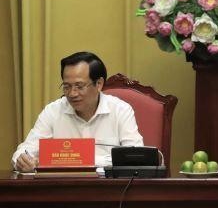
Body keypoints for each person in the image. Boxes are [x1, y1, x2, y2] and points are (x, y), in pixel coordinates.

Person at [11, 52, 144, 171]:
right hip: (61, 190)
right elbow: (24, 150)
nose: (72, 93)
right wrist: (23, 160)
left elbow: (136, 157)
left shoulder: (121, 110)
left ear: (99, 84)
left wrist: (83, 159)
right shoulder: (53, 111)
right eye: (67, 87)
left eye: (79, 86)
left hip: (110, 192)